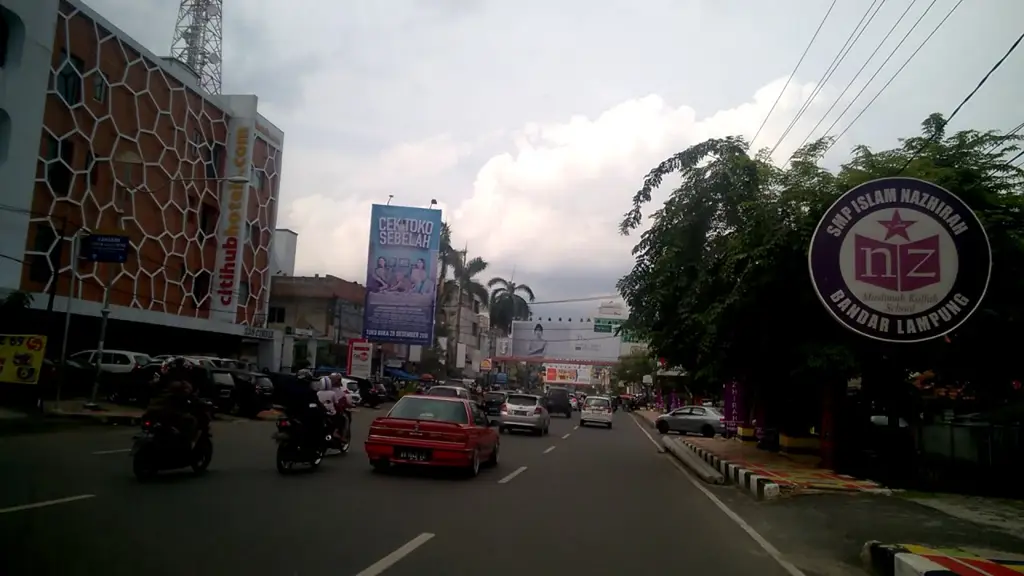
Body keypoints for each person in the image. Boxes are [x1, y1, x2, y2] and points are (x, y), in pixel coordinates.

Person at [145, 356, 209, 447]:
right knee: (191, 421)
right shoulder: (181, 385)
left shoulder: (157, 382)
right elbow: (190, 397)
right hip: (168, 413)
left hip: (152, 411)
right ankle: (186, 446)